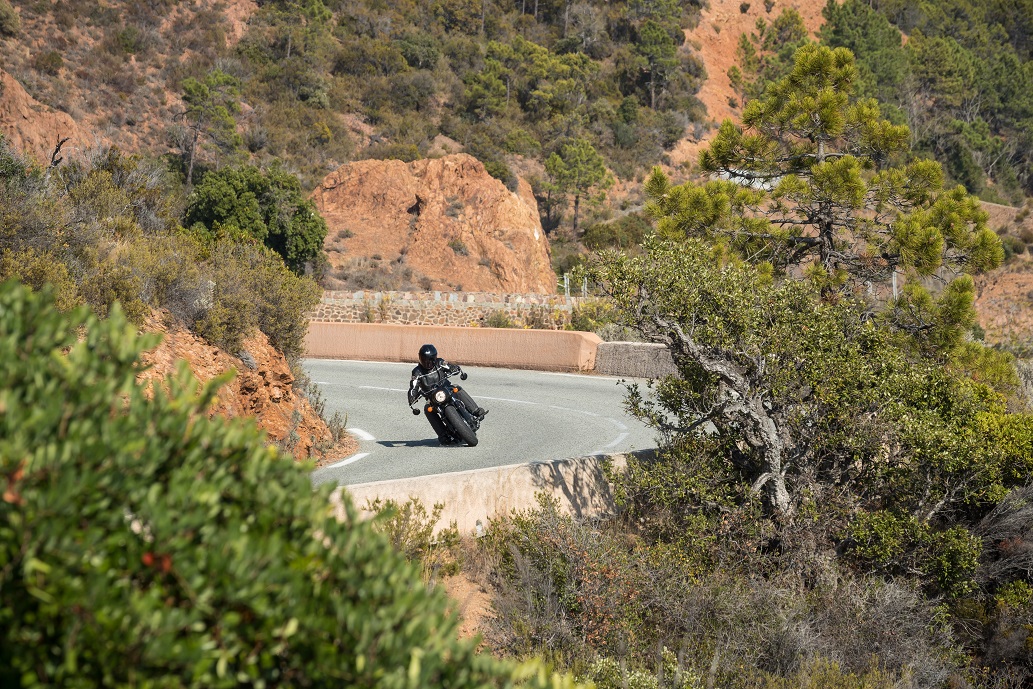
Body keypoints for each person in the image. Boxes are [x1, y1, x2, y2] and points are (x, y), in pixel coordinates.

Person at [408, 343, 488, 443]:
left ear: (434, 358)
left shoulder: (440, 362)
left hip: (446, 388)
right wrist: (412, 397)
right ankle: (443, 434)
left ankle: (476, 410)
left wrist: (454, 368)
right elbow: (413, 386)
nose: (428, 362)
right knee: (427, 409)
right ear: (420, 358)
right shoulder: (417, 372)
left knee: (456, 388)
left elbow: (449, 366)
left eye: (430, 359)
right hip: (433, 397)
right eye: (425, 360)